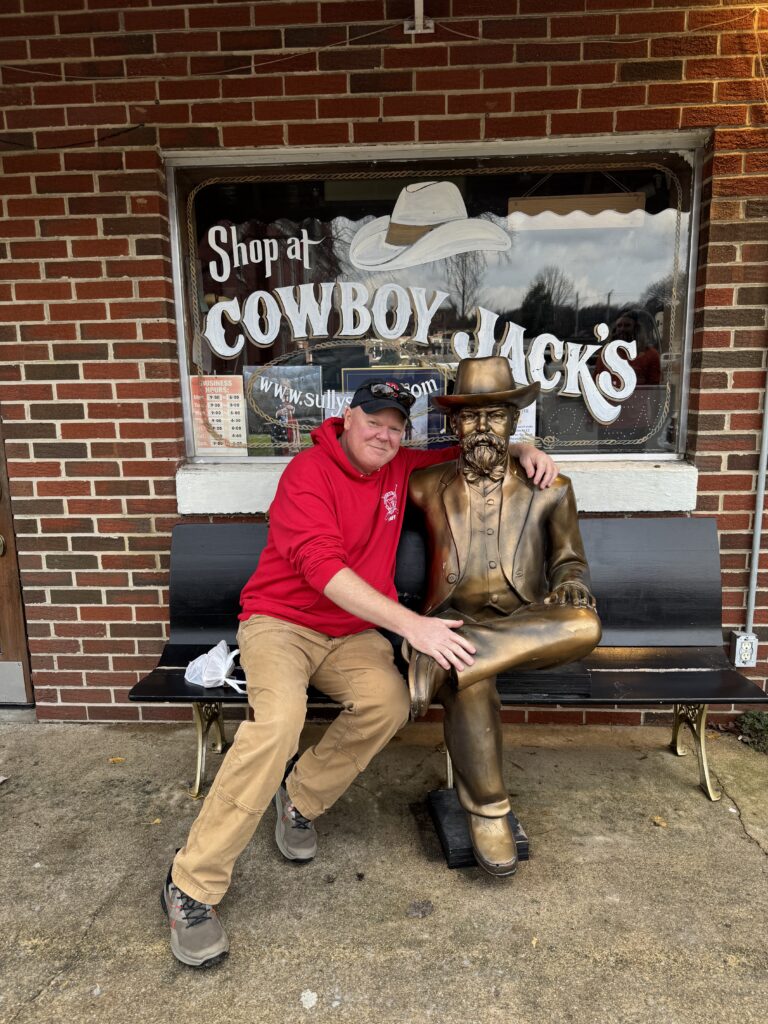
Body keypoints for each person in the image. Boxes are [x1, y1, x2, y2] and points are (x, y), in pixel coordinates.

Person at [161, 377, 557, 968]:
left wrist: (523, 448)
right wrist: (412, 626)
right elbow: (323, 571)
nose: (386, 435)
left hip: (348, 636)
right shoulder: (307, 473)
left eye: (397, 427)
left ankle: (298, 798)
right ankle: (190, 885)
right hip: (280, 623)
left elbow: (470, 450)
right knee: (278, 725)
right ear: (347, 417)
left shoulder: (397, 466)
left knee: (390, 703)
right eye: (375, 421)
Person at [405, 357, 602, 877]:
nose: (483, 427)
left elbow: (569, 561)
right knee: (470, 675)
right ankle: (489, 811)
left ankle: (454, 659)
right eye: (471, 417)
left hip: (527, 627)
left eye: (495, 416)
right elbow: (364, 485)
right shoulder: (424, 485)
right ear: (453, 426)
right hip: (451, 622)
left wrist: (572, 584)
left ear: (515, 423)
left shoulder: (551, 488)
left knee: (586, 623)